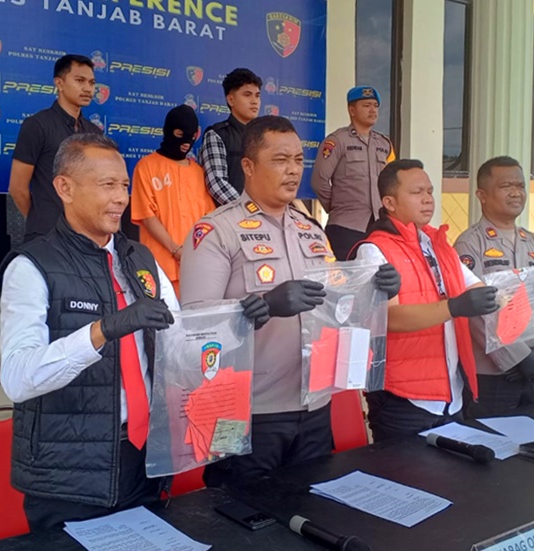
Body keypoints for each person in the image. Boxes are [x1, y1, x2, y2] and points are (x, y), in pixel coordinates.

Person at [0, 133, 267, 529]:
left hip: (144, 460)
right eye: (107, 185)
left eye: (124, 185)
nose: (121, 198)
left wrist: (237, 325)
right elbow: (18, 379)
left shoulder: (140, 259)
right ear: (65, 188)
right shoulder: (31, 266)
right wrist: (103, 331)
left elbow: (181, 350)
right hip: (71, 477)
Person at [180, 116, 400, 488]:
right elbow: (195, 329)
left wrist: (374, 290)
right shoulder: (217, 231)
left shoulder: (311, 230)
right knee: (241, 514)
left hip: (314, 409)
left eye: (298, 160)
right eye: (280, 160)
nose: (293, 170)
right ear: (248, 166)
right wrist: (263, 307)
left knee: (309, 511)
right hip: (245, 413)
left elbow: (336, 308)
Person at [352, 159, 498, 441]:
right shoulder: (373, 250)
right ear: (390, 202)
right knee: (403, 470)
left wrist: (527, 288)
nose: (428, 199)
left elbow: (482, 290)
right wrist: (454, 307)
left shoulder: (438, 243)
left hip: (452, 394)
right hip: (402, 397)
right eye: (417, 192)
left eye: (430, 191)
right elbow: (389, 319)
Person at [453, 156, 534, 417]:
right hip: (492, 374)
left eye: (520, 186)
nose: (516, 193)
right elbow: (474, 311)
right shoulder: (469, 245)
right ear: (482, 195)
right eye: (506, 186)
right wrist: (519, 356)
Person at [9, 54, 102, 241]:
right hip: (47, 235)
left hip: (86, 235)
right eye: (79, 80)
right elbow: (17, 188)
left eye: (91, 83)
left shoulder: (94, 133)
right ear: (59, 83)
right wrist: (40, 220)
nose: (87, 88)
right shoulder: (37, 125)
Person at [131, 105, 215, 297]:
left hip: (195, 266)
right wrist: (176, 250)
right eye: (180, 134)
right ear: (169, 131)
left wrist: (195, 252)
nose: (186, 143)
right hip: (159, 266)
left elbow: (208, 219)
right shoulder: (146, 167)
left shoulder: (198, 172)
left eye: (191, 137)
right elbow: (147, 215)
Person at [312, 86, 395, 260]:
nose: (373, 110)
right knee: (348, 274)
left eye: (375, 106)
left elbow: (393, 182)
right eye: (366, 105)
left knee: (379, 274)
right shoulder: (337, 141)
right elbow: (319, 181)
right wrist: (337, 207)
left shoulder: (384, 144)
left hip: (379, 226)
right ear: (352, 110)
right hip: (346, 226)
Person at [199, 68, 262, 206]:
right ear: (231, 99)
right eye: (247, 95)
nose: (254, 101)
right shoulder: (217, 134)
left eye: (257, 96)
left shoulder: (264, 136)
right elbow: (216, 183)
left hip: (264, 214)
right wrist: (249, 209)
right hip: (229, 216)